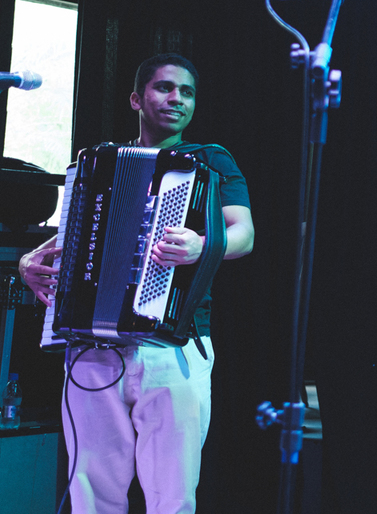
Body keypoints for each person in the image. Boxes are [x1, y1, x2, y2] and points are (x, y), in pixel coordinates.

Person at [19, 53, 254, 514]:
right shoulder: (101, 163)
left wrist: (202, 244)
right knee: (91, 492)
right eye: (165, 88)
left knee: (172, 495)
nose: (177, 99)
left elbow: (243, 233)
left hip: (174, 345)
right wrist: (30, 260)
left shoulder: (210, 160)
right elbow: (75, 234)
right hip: (93, 347)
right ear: (136, 99)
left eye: (186, 92)